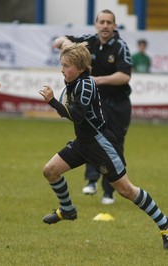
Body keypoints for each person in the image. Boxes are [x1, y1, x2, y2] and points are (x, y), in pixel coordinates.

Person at [38, 43, 168, 250]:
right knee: (50, 170)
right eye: (62, 65)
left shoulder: (85, 84)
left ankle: (165, 222)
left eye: (66, 65)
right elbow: (72, 112)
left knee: (126, 190)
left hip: (100, 143)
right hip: (83, 142)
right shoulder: (72, 81)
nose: (62, 69)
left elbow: (76, 115)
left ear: (80, 66)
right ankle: (67, 210)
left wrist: (52, 102)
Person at [53, 9, 132, 205]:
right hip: (95, 102)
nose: (105, 26)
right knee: (89, 136)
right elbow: (58, 41)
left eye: (109, 22)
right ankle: (91, 181)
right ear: (96, 25)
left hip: (117, 104)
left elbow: (125, 76)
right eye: (102, 22)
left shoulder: (121, 47)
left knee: (113, 144)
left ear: (114, 26)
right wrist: (66, 43)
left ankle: (109, 191)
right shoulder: (89, 40)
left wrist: (98, 80)